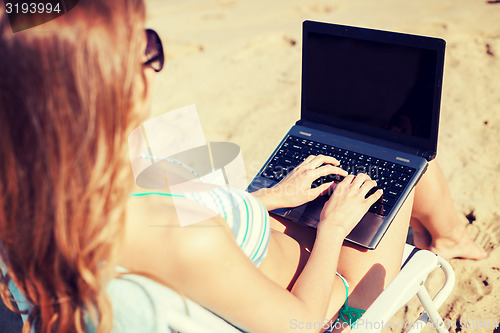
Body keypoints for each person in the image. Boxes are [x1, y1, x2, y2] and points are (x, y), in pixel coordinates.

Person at [0, 1, 487, 332]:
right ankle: (448, 239)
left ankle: (443, 235)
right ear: (111, 88)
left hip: (271, 244)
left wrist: (265, 201)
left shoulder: (39, 203)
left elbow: (180, 224)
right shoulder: (186, 242)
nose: (152, 64)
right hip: (328, 291)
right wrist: (333, 229)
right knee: (407, 161)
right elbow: (299, 322)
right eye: (143, 47)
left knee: (381, 157)